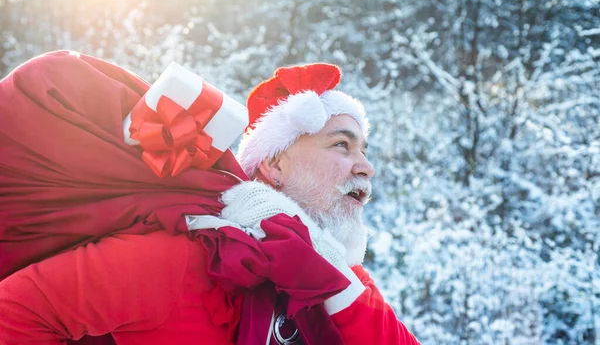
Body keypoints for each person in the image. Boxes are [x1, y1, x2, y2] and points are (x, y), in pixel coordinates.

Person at [0, 56, 419, 344]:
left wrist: (331, 270)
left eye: (365, 150)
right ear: (275, 165)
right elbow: (14, 315)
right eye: (341, 146)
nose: (366, 166)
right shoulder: (186, 258)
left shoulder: (339, 281)